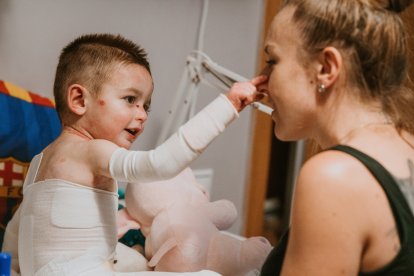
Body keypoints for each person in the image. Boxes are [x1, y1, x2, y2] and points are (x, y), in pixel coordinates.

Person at [1, 33, 266, 275]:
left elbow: (19, 226)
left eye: (146, 106)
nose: (141, 115)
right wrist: (228, 105)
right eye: (130, 99)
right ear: (80, 100)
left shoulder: (39, 161)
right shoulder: (91, 151)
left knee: (136, 261)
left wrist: (11, 268)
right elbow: (160, 164)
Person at [258, 0, 414, 275]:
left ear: (327, 68)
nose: (261, 79)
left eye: (273, 61)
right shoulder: (405, 146)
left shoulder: (335, 177)